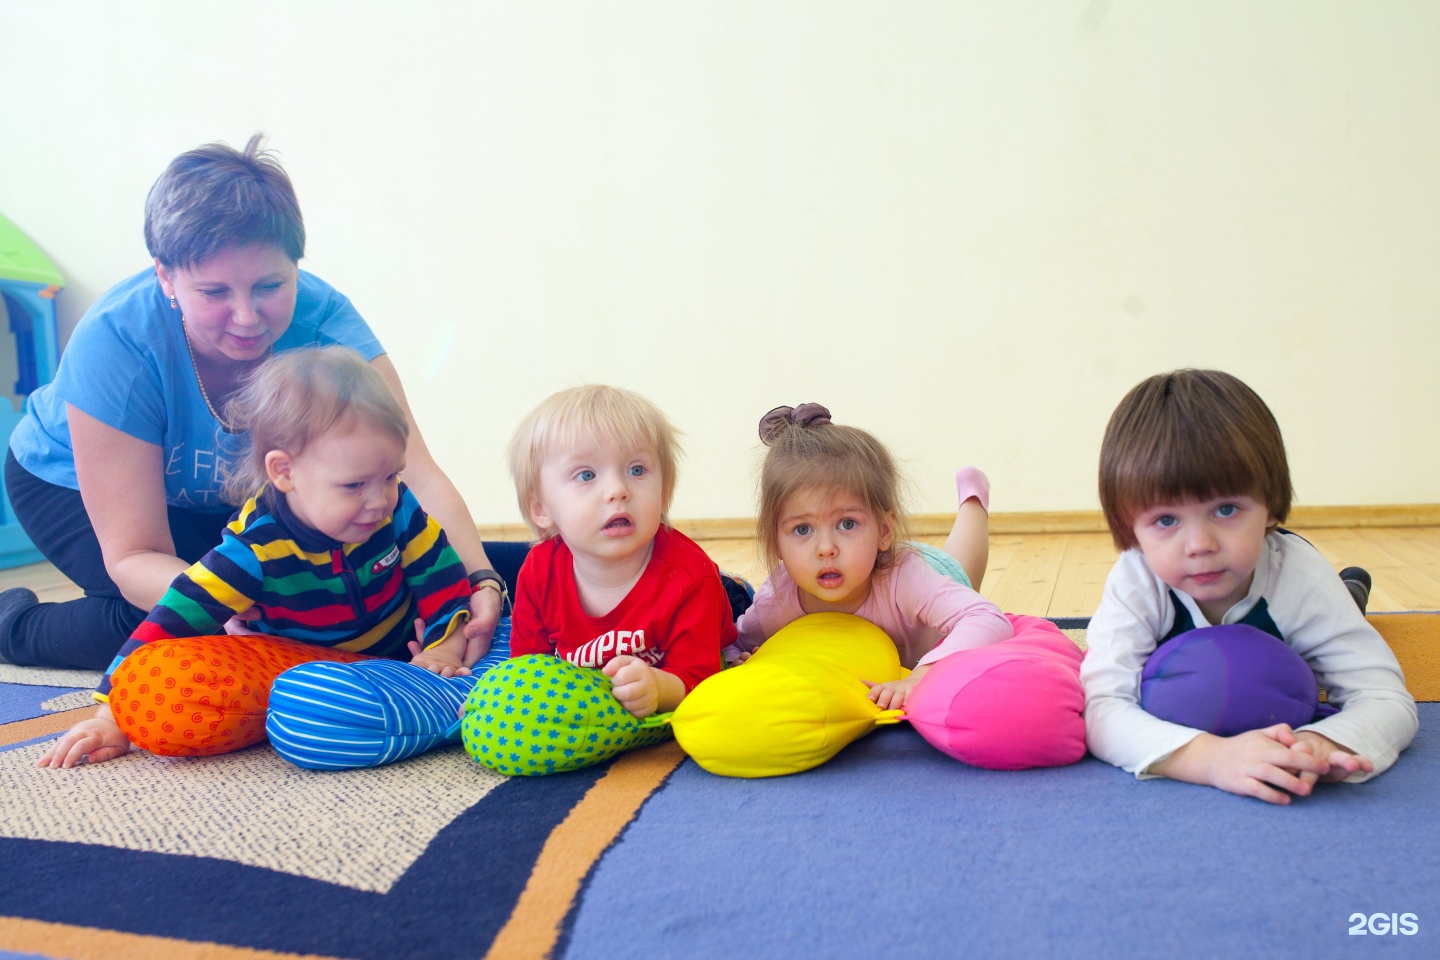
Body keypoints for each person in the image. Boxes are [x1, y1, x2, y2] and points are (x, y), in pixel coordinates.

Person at [0, 135, 521, 672]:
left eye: (270, 285)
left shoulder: (325, 322)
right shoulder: (118, 343)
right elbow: (134, 555)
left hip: (228, 500)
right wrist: (235, 610)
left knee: (367, 576)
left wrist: (480, 578)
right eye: (215, 293)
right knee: (171, 625)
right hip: (65, 484)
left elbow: (415, 472)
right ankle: (11, 625)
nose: (247, 318)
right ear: (166, 276)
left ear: (297, 265)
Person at [36, 347, 494, 767]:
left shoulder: (400, 509)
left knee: (504, 618)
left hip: (402, 657)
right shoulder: (253, 549)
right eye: (354, 485)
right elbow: (170, 620)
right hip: (302, 667)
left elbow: (442, 579)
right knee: (163, 685)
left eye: (391, 475)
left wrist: (445, 645)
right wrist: (107, 715)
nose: (380, 500)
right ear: (284, 471)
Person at [1081, 369, 1417, 804]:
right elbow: (1100, 708)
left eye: (1226, 510)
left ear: (1272, 507)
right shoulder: (1136, 579)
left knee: (1329, 617)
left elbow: (1385, 696)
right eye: (1166, 520)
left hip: (1300, 607)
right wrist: (1210, 759)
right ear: (1131, 528)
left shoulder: (1299, 578)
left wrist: (1323, 744)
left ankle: (1349, 592)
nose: (1200, 545)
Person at [727, 403, 1013, 709]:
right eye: (801, 529)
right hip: (880, 569)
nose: (825, 548)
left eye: (847, 524)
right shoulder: (777, 599)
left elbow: (988, 618)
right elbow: (734, 642)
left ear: (884, 530)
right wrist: (737, 660)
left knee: (964, 567)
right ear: (776, 542)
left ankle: (973, 499)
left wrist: (922, 675)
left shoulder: (908, 581)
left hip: (920, 571)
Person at [506, 384, 736, 718]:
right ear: (541, 508)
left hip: (706, 612)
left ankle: (733, 590)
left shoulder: (689, 577)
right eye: (586, 475)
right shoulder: (539, 571)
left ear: (665, 491)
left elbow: (699, 679)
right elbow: (526, 669)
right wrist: (495, 699)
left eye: (636, 470)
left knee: (735, 619)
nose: (617, 490)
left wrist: (660, 689)